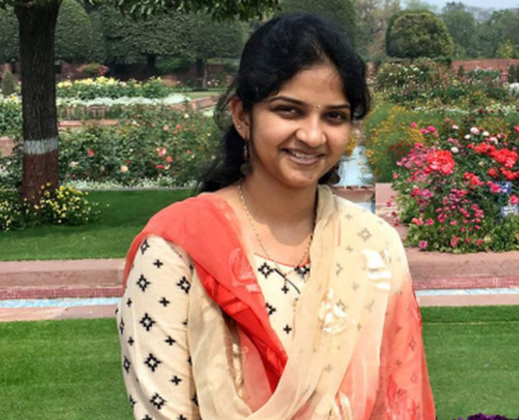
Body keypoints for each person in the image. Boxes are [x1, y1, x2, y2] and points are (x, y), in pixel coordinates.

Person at [116, 13, 435, 420]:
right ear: (242, 116)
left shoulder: (374, 245)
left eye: (334, 116)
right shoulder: (174, 251)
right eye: (289, 111)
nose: (313, 135)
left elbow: (402, 400)